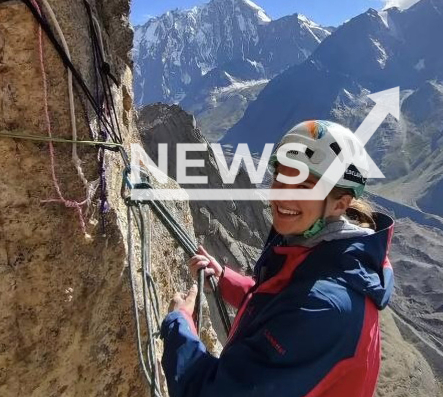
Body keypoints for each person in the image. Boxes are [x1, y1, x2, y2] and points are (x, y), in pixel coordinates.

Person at [160, 120, 395, 397]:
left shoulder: (324, 306)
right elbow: (283, 304)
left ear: (340, 203)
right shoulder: (323, 253)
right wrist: (226, 280)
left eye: (304, 186)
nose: (283, 194)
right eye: (280, 178)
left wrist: (179, 324)